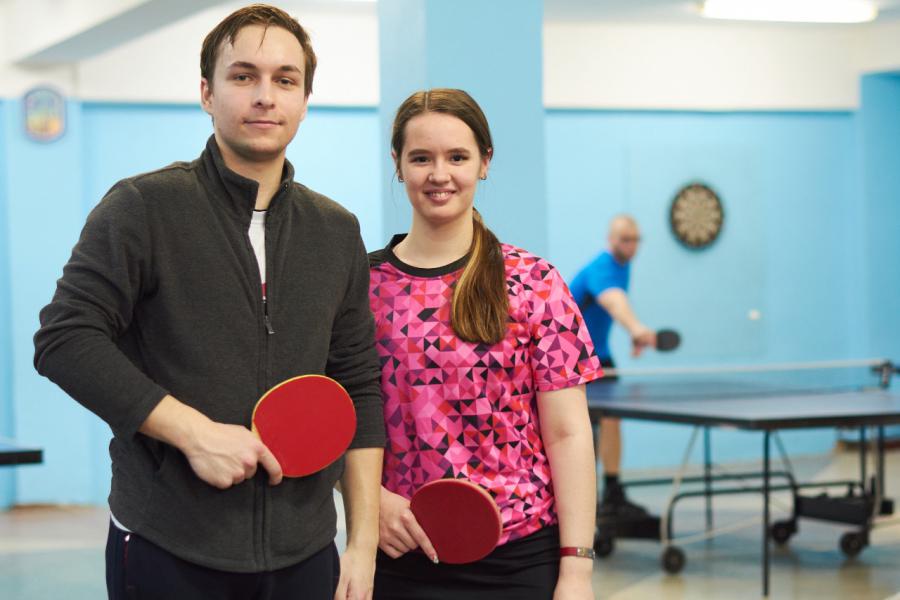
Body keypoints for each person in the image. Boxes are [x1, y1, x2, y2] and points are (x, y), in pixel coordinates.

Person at [33, 5, 383, 599]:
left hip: (305, 550)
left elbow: (358, 384)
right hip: (168, 541)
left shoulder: (335, 229)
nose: (265, 96)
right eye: (243, 76)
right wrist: (193, 432)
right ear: (207, 92)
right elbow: (65, 338)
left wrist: (362, 543)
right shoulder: (143, 207)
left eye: (285, 80)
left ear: (304, 100)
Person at [367, 89, 601, 600]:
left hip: (520, 558)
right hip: (401, 555)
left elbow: (568, 434)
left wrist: (577, 568)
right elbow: (344, 422)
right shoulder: (363, 287)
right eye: (421, 158)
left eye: (457, 157)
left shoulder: (535, 282)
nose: (439, 174)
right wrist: (370, 500)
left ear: (485, 162)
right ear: (398, 165)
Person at [569, 215, 656, 518]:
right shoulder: (602, 267)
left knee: (612, 420)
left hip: (602, 357)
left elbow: (614, 307)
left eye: (635, 240)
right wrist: (636, 328)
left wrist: (632, 334)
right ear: (611, 239)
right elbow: (614, 301)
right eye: (625, 240)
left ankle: (613, 490)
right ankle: (582, 501)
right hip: (574, 360)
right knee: (580, 429)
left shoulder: (624, 265)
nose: (631, 246)